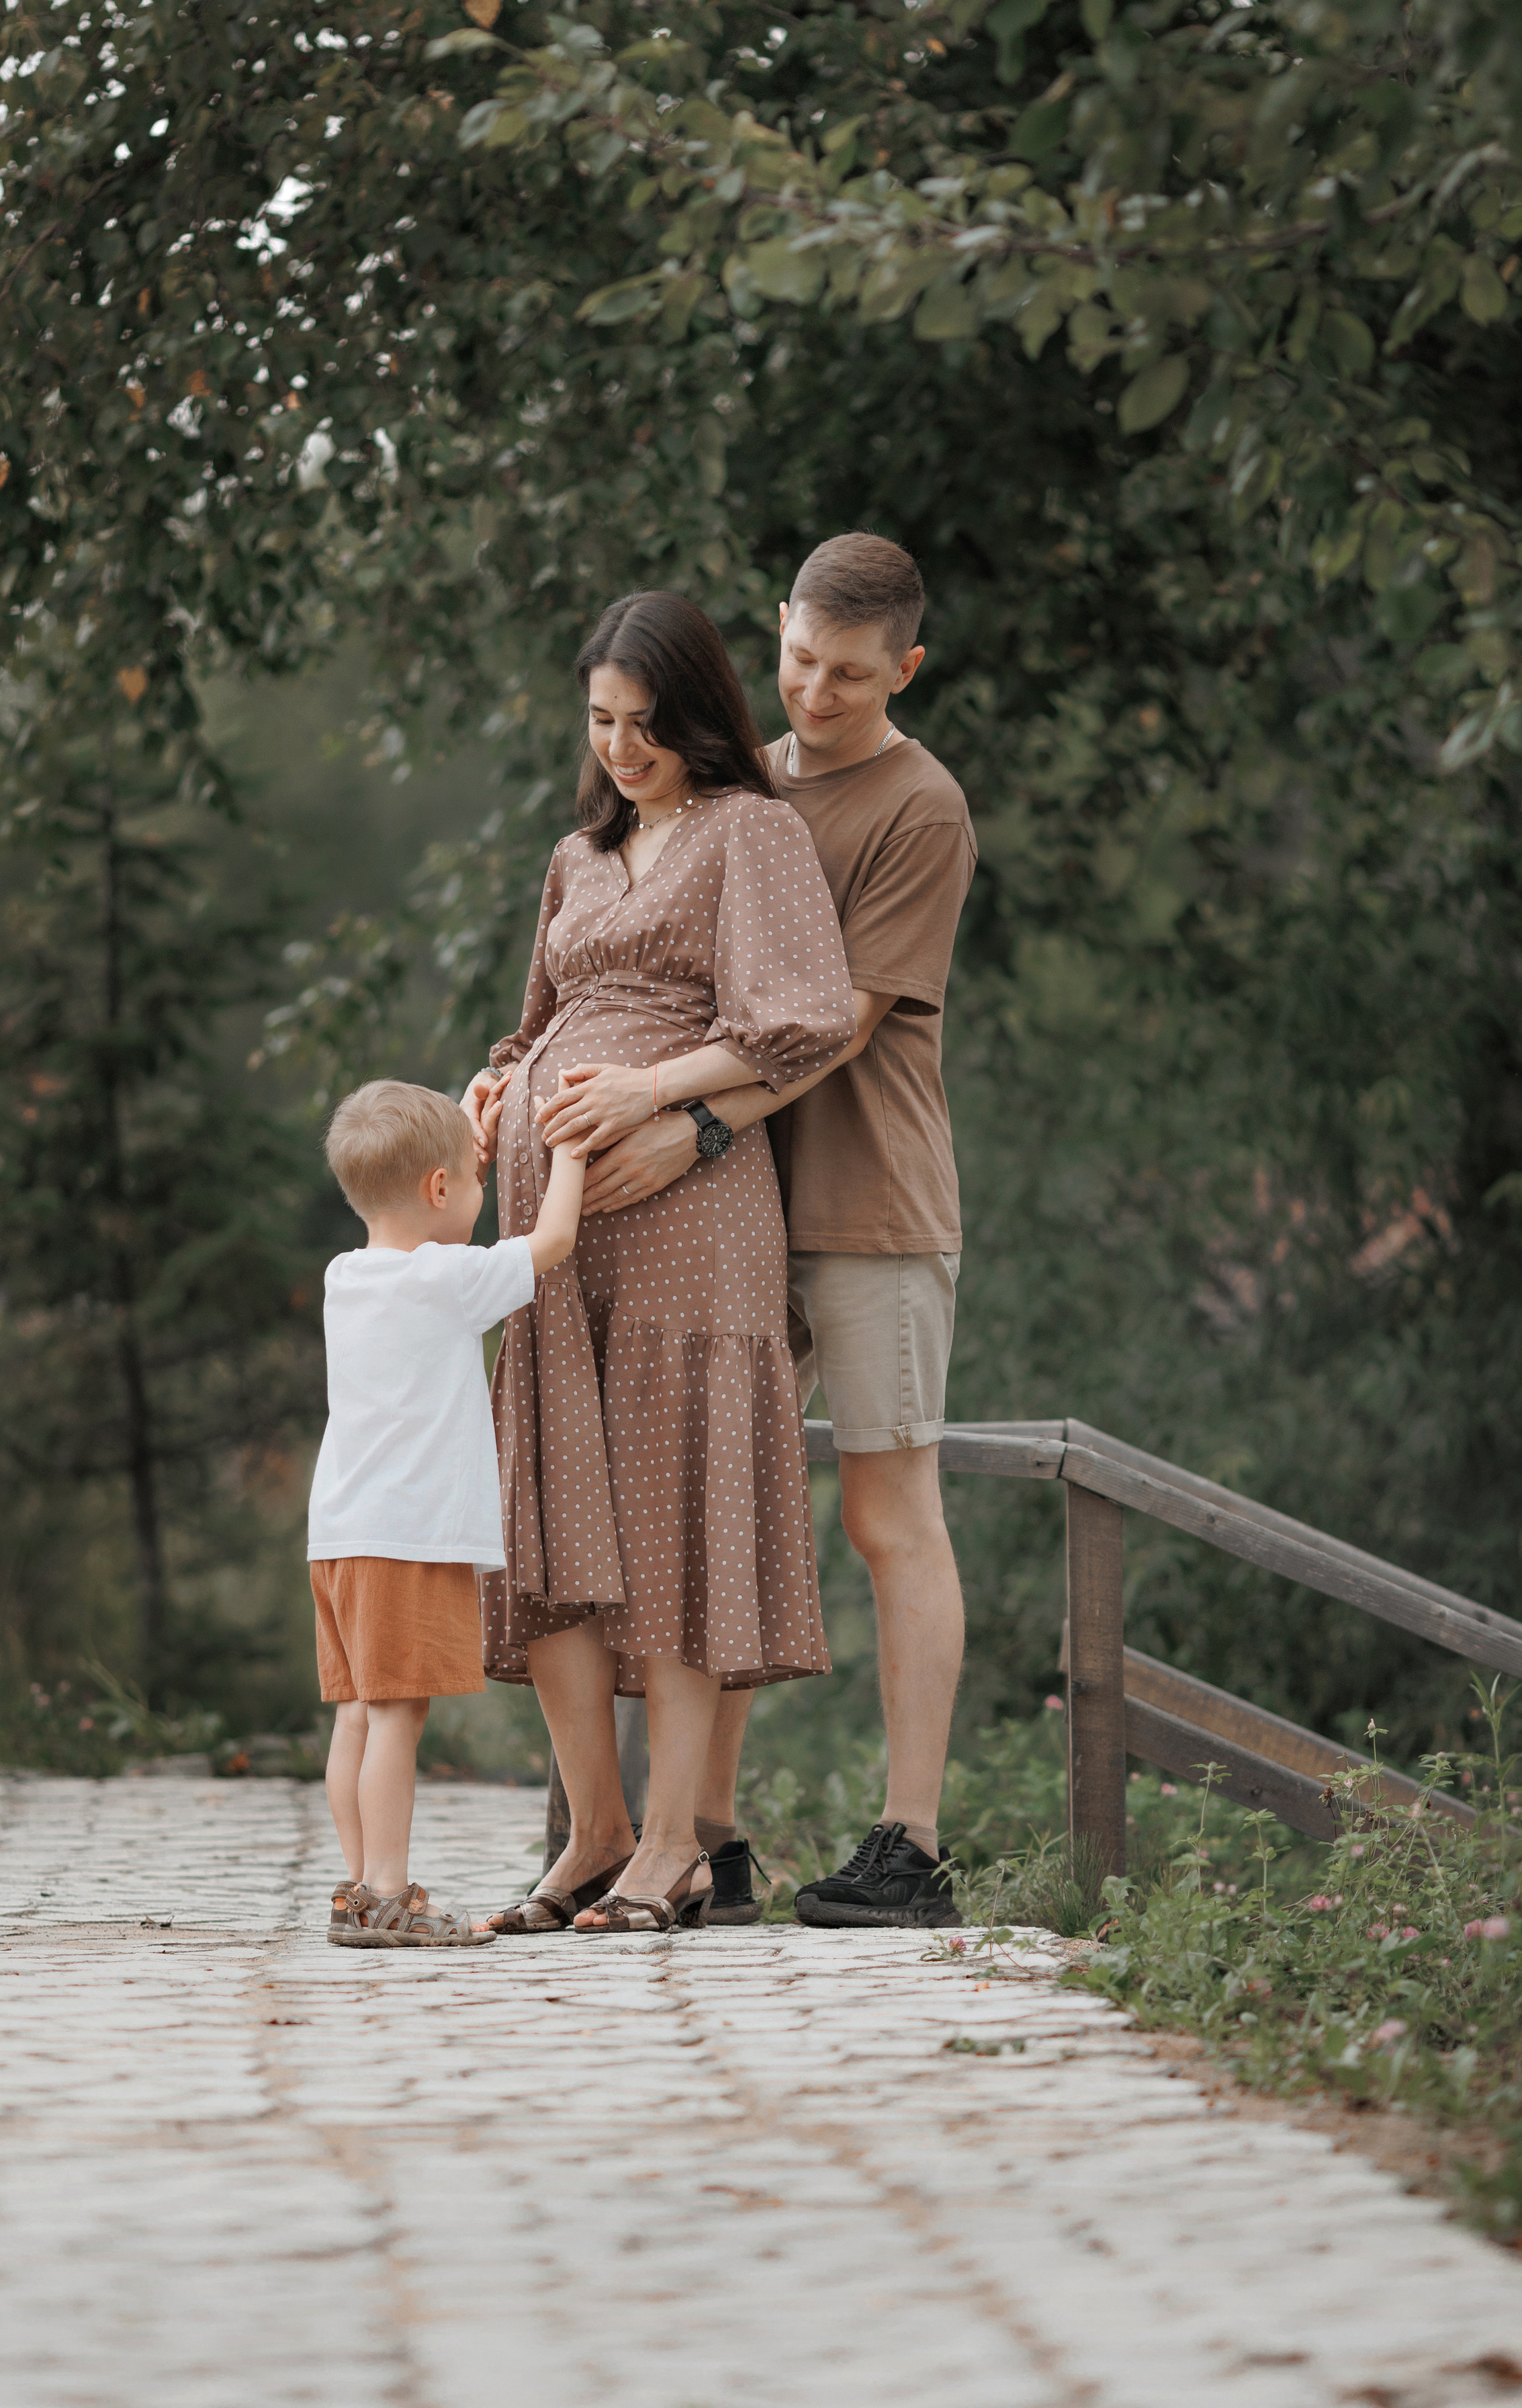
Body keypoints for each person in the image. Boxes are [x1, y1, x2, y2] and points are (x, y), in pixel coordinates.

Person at [572, 535, 976, 1928]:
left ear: (903, 669)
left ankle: (909, 1845)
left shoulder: (919, 807)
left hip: (862, 1202)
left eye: (849, 673)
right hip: (723, 1215)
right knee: (721, 1513)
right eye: (798, 658)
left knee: (885, 1514)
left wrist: (681, 1121)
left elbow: (838, 1021)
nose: (813, 690)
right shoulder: (738, 782)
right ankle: (706, 1839)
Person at [463, 590, 856, 1937]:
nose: (619, 748)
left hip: (690, 1217)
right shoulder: (579, 857)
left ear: (696, 717)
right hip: (555, 1240)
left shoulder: (754, 834)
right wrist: (493, 1085)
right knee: (557, 1518)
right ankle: (594, 1830)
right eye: (599, 722)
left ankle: (677, 1843)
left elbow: (798, 1022)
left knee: (676, 1517)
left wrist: (642, 1096)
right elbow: (537, 1028)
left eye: (643, 724)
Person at [308, 1078, 585, 1948]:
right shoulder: (446, 1279)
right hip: (409, 1540)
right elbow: (554, 1240)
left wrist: (464, 1131)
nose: (481, 1189)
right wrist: (572, 1149)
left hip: (341, 1537)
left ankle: (359, 1889)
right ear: (438, 1190)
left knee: (357, 1711)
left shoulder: (346, 1276)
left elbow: (422, 1189)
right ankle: (391, 1892)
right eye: (476, 1176)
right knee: (399, 1715)